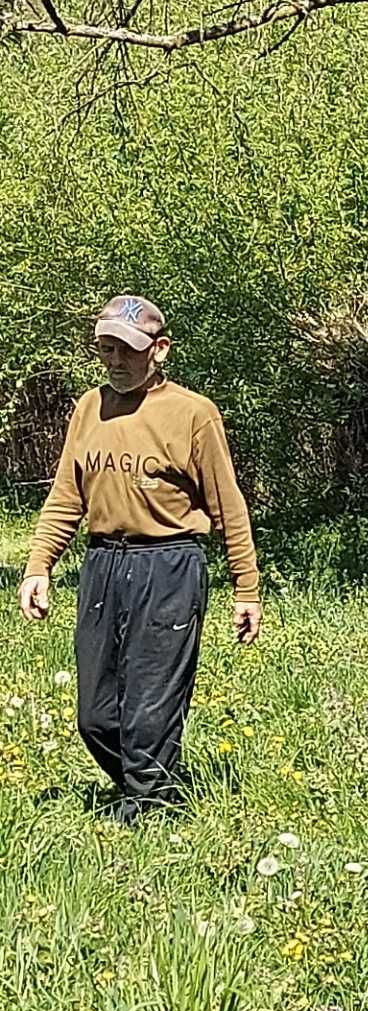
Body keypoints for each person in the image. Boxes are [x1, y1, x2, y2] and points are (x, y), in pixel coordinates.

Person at [18, 296, 261, 817]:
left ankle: (149, 815)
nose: (115, 361)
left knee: (150, 710)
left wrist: (247, 588)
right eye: (106, 349)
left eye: (127, 350)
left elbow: (228, 504)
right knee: (96, 715)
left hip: (169, 564)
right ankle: (147, 787)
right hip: (104, 563)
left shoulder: (193, 414)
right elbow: (66, 496)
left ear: (160, 349)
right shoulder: (88, 408)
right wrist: (39, 564)